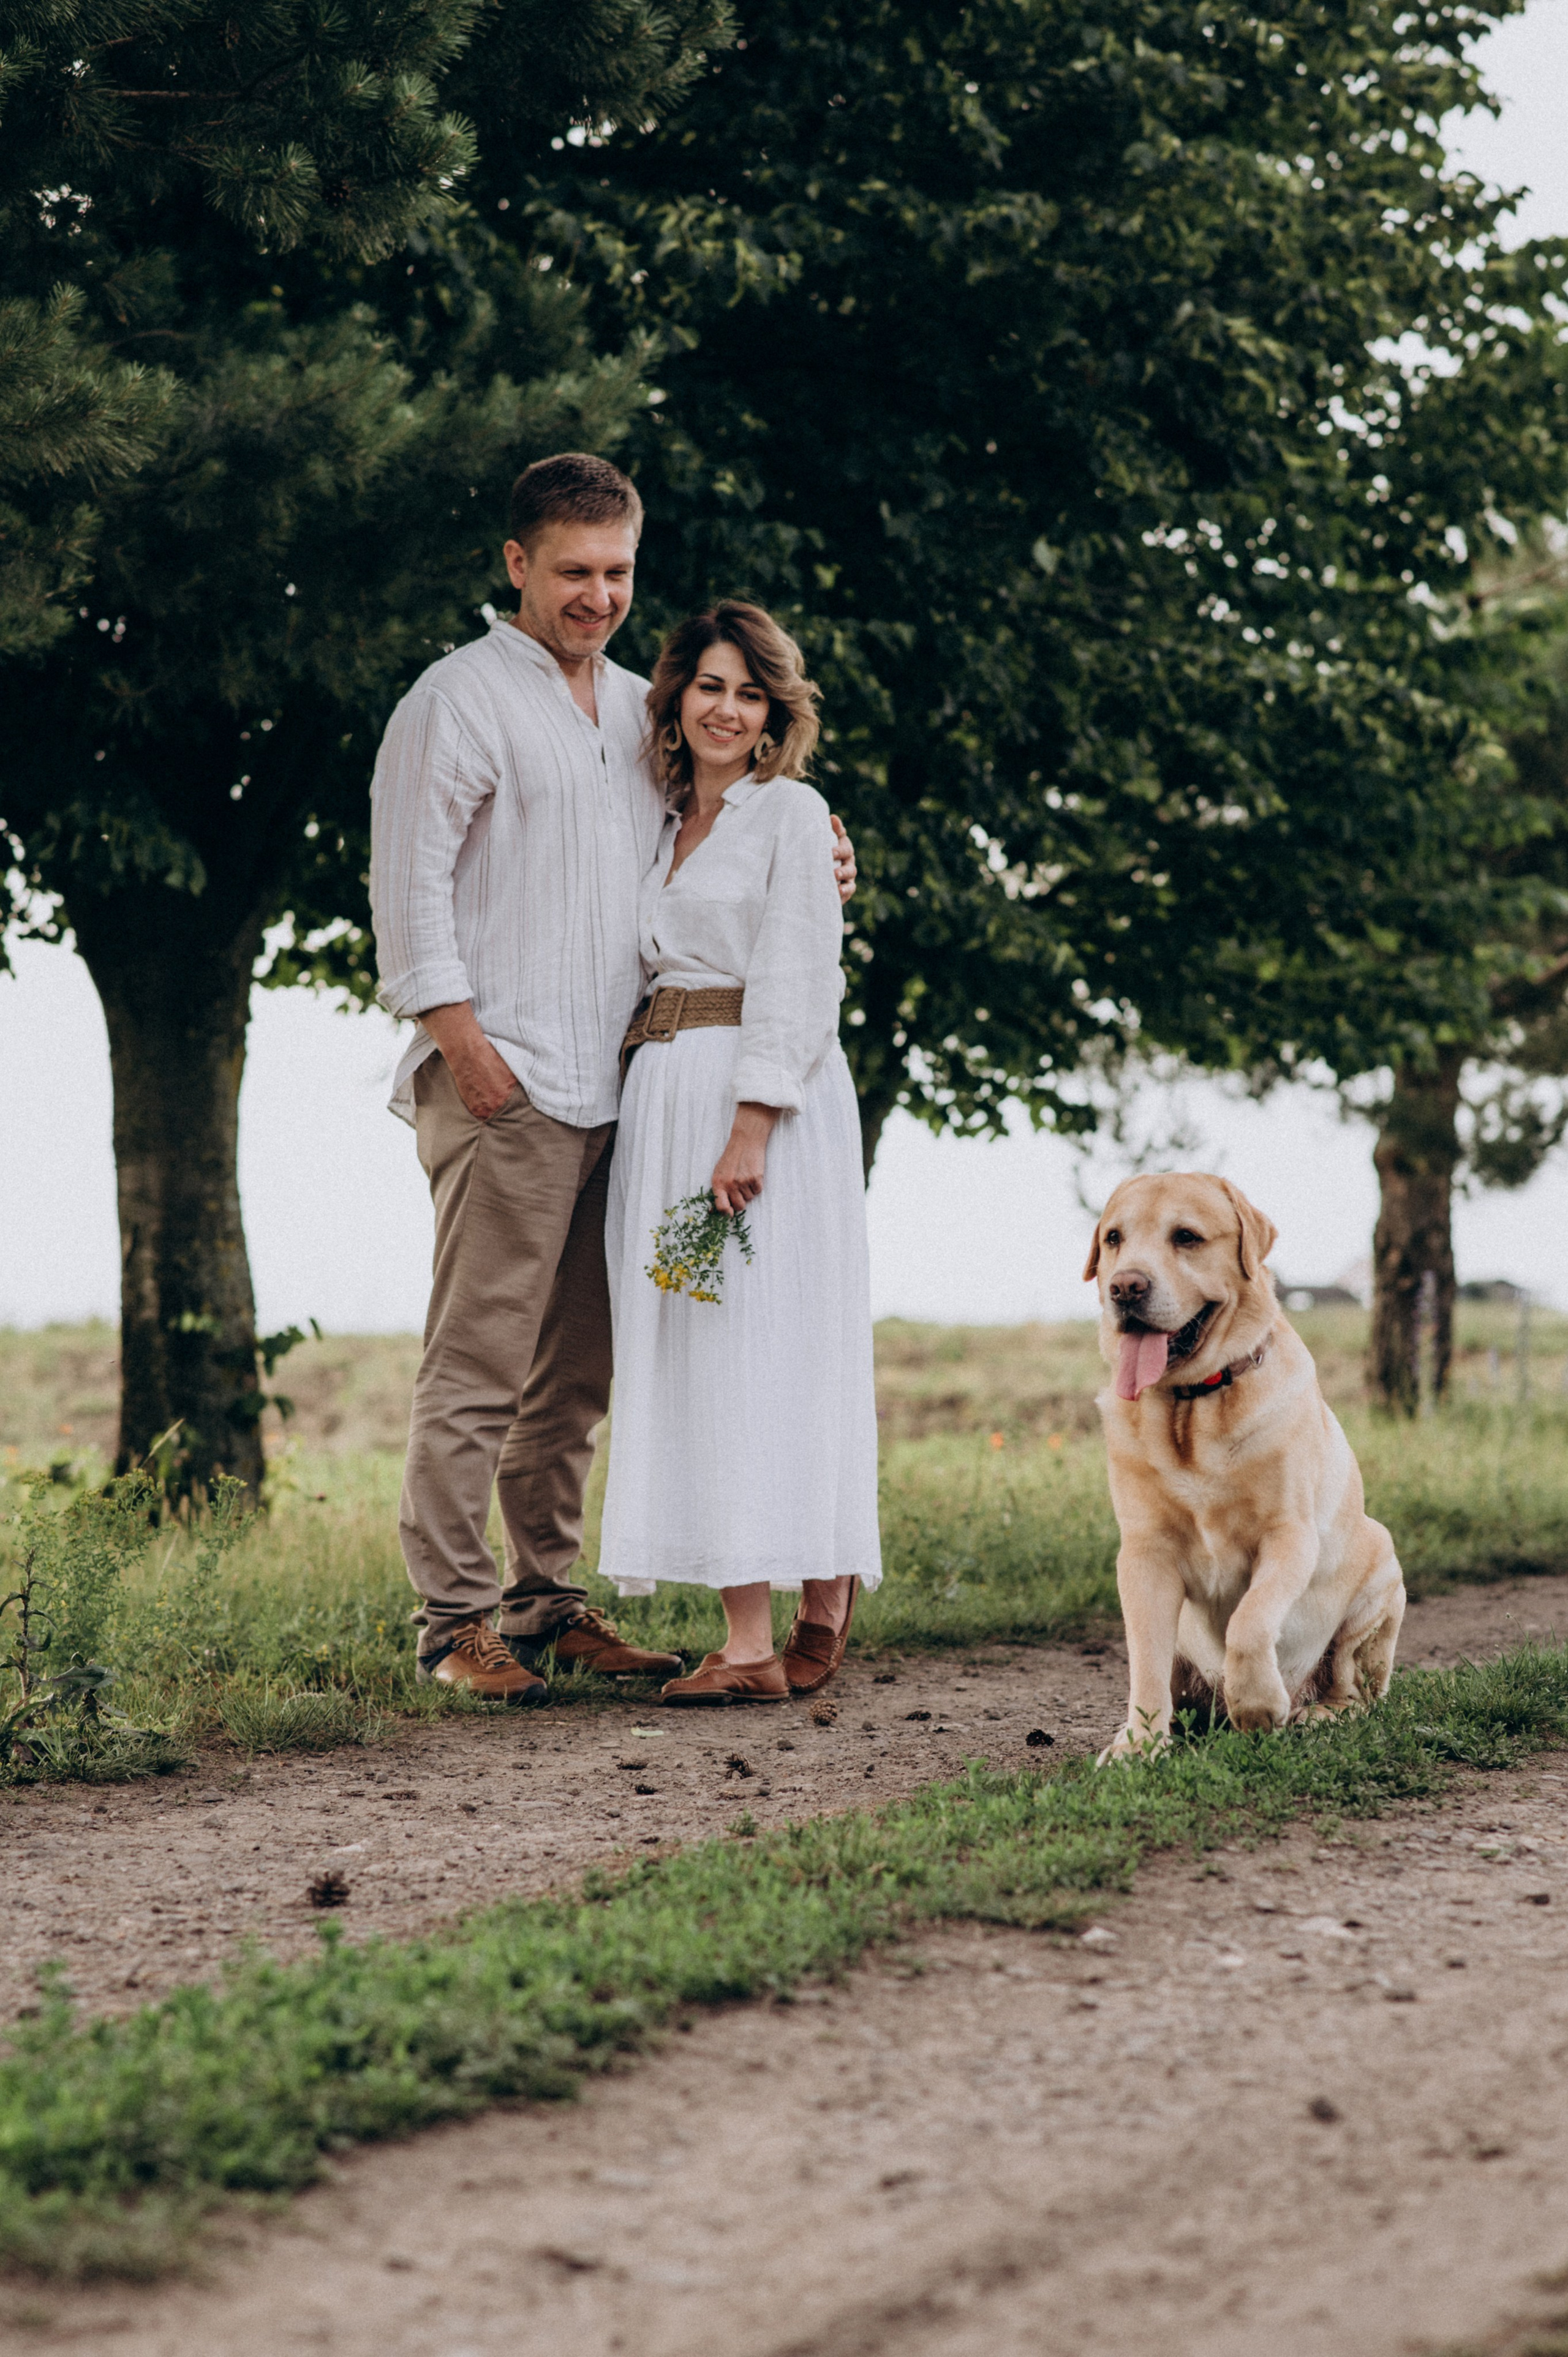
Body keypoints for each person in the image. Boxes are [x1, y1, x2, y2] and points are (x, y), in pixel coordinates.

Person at [369, 456, 856, 1703]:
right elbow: (407, 889)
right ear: (517, 563)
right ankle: (452, 1621)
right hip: (507, 1083)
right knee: (479, 1363)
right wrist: (466, 1049)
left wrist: (821, 848)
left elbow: (726, 836)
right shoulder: (456, 700)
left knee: (576, 1376)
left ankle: (545, 1601)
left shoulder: (646, 713)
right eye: (573, 571)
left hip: (627, 1099)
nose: (597, 595)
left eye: (618, 572)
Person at [598, 603, 881, 1703]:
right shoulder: (662, 822)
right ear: (675, 697)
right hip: (667, 1094)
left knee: (770, 1342)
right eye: (709, 687)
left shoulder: (791, 814)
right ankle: (766, 1623)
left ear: (774, 713)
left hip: (758, 1100)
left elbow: (802, 974)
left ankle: (780, 1625)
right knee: (698, 1348)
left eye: (749, 693)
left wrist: (752, 1124)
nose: (726, 710)